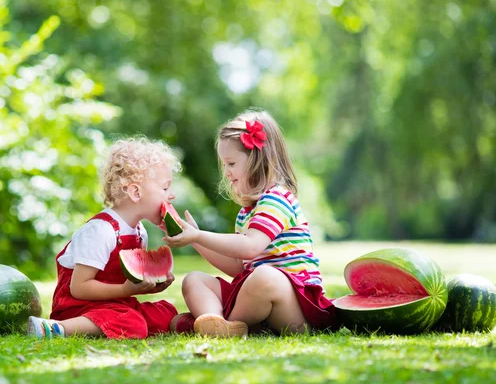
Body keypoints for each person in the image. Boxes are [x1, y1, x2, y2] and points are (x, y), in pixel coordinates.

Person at [164, 109, 336, 337]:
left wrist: (198, 235)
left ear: (257, 160)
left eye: (231, 163)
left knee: (264, 276)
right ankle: (216, 322)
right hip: (256, 300)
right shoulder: (247, 212)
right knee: (194, 280)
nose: (226, 172)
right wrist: (194, 240)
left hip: (295, 309)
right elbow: (239, 266)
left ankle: (225, 323)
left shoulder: (277, 199)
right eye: (224, 164)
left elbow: (251, 246)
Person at [27, 137, 190, 339]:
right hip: (78, 307)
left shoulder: (140, 232)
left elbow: (130, 282)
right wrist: (125, 289)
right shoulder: (101, 231)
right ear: (135, 192)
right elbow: (79, 288)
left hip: (116, 304)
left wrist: (150, 285)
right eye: (165, 188)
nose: (171, 195)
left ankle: (192, 324)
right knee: (132, 322)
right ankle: (56, 328)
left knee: (164, 311)